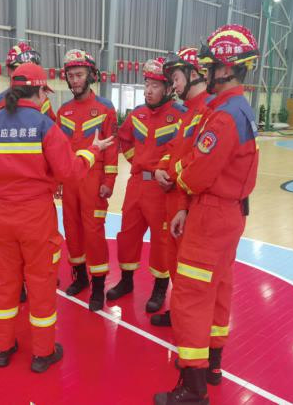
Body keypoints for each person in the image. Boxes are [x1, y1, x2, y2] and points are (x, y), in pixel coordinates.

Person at [0, 62, 114, 371]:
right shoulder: (44, 126)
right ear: (38, 92)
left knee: (6, 284)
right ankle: (43, 352)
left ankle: (2, 348)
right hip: (35, 217)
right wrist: (92, 151)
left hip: (2, 217)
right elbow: (69, 172)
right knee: (41, 284)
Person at [154, 24, 259, 405]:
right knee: (217, 290)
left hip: (211, 215)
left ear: (226, 69)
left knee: (190, 297)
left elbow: (196, 174)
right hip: (229, 214)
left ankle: (193, 387)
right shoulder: (239, 109)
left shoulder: (224, 117)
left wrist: (180, 175)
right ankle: (213, 366)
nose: (208, 72)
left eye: (211, 66)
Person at [107, 58, 185, 312]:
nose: (148, 91)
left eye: (155, 86)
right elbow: (124, 140)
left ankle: (160, 288)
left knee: (162, 241)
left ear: (169, 88)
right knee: (128, 235)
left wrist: (167, 174)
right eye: (147, 84)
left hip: (162, 189)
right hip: (136, 184)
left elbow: (183, 151)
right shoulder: (137, 114)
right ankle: (126, 280)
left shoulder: (180, 116)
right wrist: (136, 162)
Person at [0, 42, 56, 303]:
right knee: (28, 258)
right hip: (28, 201)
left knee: (16, 263)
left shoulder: (44, 104)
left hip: (17, 201)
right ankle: (25, 284)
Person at [150, 47, 213, 327]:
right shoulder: (188, 113)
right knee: (175, 262)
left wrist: (171, 173)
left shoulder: (209, 111)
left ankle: (187, 322)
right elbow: (173, 148)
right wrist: (160, 168)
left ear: (194, 73)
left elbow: (199, 158)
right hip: (174, 197)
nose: (173, 86)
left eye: (175, 78)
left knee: (189, 269)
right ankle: (178, 313)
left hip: (187, 199)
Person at [56, 49, 119, 311]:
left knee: (93, 233)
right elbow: (58, 150)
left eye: (79, 75)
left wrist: (109, 180)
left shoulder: (105, 108)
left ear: (91, 75)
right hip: (70, 179)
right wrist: (58, 180)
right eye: (71, 75)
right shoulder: (63, 111)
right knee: (72, 230)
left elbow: (112, 148)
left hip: (94, 180)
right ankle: (80, 277)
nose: (75, 80)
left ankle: (98, 285)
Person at [0, 42, 56, 121]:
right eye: (23, 70)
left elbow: (52, 124)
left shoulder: (43, 99)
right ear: (10, 71)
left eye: (32, 70)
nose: (29, 75)